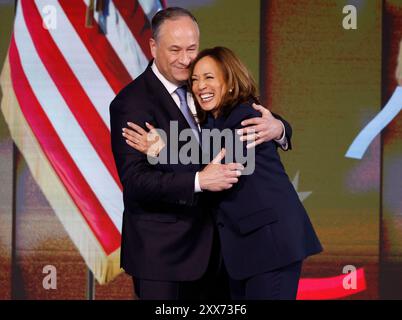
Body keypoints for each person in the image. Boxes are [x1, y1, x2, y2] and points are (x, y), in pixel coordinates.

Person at [110, 7, 292, 300]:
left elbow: (245, 118)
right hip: (164, 257)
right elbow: (136, 181)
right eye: (175, 49)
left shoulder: (206, 84)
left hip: (222, 253)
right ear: (153, 47)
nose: (185, 59)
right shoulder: (131, 103)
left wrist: (279, 128)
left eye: (192, 48)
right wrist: (198, 181)